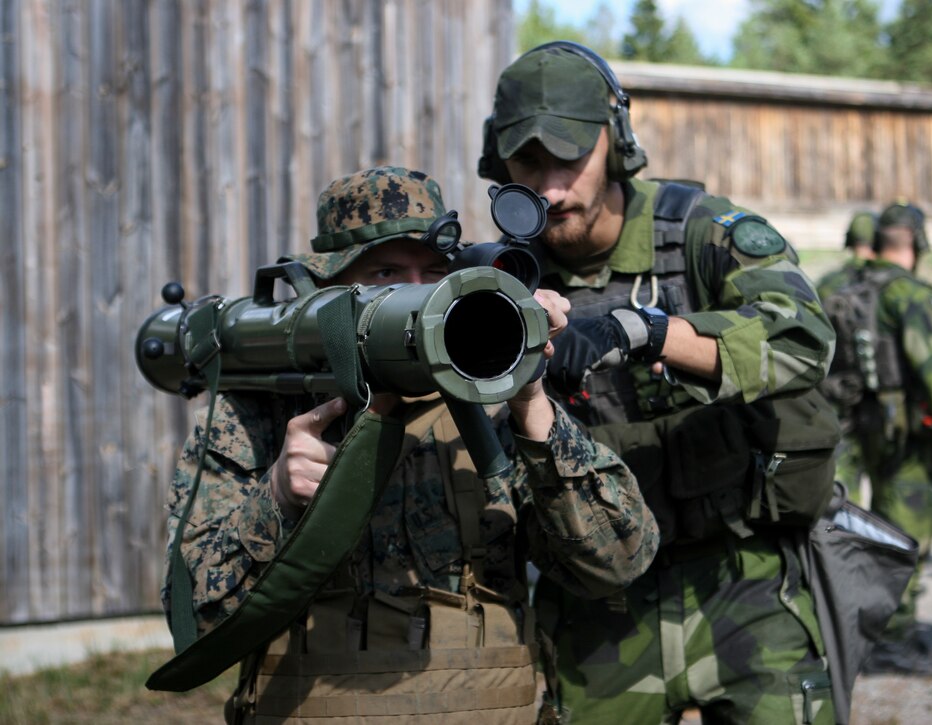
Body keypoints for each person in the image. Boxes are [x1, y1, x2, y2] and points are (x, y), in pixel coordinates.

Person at [160, 166, 660, 723]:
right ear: (327, 293)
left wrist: (532, 402)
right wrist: (275, 496)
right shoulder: (257, 415)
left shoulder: (495, 409)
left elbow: (617, 560)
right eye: (386, 273)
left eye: (436, 273)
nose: (419, 295)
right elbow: (194, 615)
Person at [479, 41, 839, 724]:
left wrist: (642, 331)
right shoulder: (502, 273)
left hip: (740, 577)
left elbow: (803, 337)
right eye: (529, 164)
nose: (551, 189)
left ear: (614, 145)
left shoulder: (701, 232)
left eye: (569, 159)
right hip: (595, 598)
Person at [853, 201, 932, 675]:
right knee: (906, 536)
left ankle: (862, 627)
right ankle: (894, 639)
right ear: (917, 243)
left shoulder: (851, 284)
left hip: (859, 428)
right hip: (907, 438)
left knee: (864, 530)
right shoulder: (909, 294)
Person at [817, 212, 879, 502]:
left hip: (837, 397)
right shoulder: (887, 282)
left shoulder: (829, 284)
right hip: (882, 400)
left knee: (843, 486)